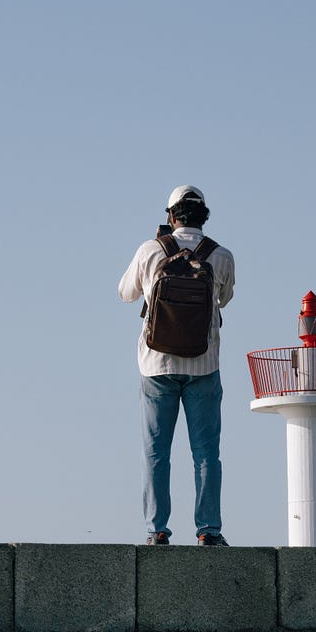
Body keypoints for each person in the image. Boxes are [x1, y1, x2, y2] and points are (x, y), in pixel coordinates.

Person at [117, 185, 236, 545]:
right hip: (204, 363)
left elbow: (126, 293)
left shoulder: (150, 250)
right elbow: (225, 299)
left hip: (156, 364)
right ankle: (209, 530)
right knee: (206, 452)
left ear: (171, 216)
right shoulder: (221, 255)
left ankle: (157, 530)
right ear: (205, 217)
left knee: (155, 451)